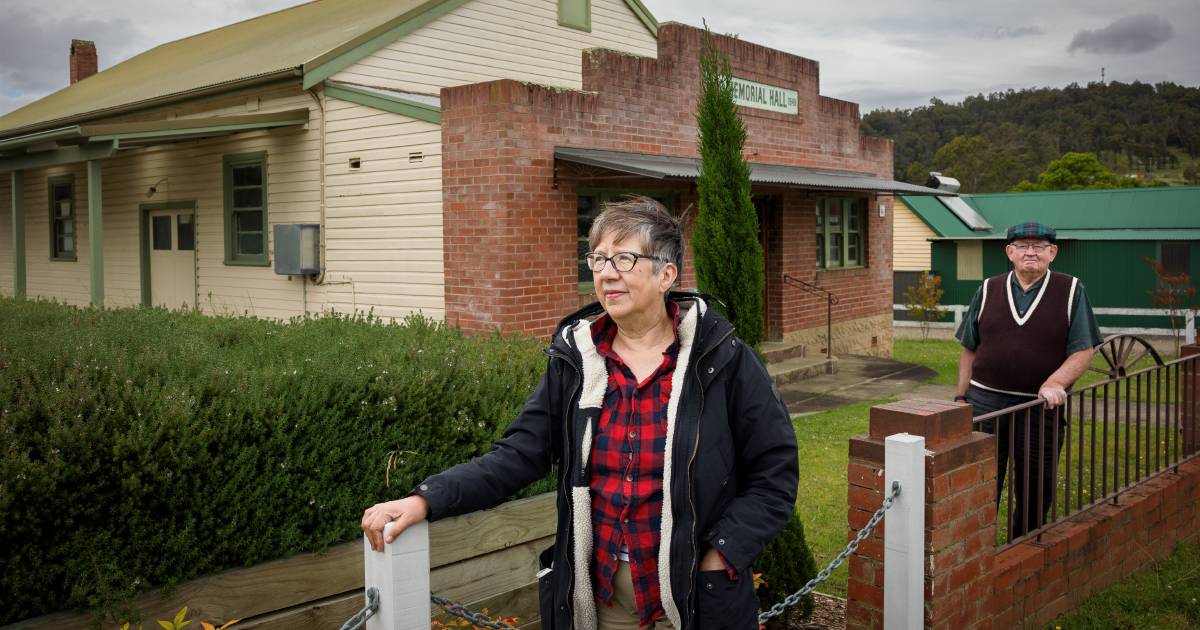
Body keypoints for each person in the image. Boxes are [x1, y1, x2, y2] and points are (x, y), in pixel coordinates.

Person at [361, 196, 798, 630]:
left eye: (624, 259)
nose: (607, 273)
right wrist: (427, 498)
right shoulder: (576, 361)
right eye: (598, 259)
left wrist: (720, 556)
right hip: (601, 598)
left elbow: (775, 473)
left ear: (666, 274)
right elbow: (518, 455)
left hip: (692, 596)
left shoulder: (722, 361)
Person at [954, 222, 1102, 538]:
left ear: (1053, 252)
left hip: (1038, 407)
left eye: (1038, 246)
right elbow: (969, 348)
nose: (1030, 252)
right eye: (1022, 245)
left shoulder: (1071, 290)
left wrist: (1055, 383)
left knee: (1035, 484)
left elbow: (1083, 351)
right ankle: (976, 549)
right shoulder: (989, 288)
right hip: (985, 405)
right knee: (980, 480)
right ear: (1010, 252)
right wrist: (961, 396)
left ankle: (1024, 548)